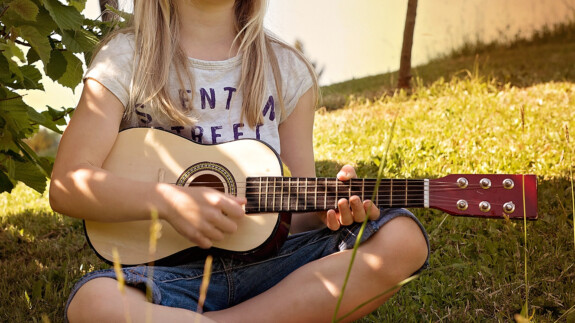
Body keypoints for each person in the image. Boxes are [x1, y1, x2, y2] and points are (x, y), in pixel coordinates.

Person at [49, 0, 429, 322]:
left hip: (274, 270)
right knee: (95, 301)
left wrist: (331, 206)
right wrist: (169, 201)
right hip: (169, 278)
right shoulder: (125, 59)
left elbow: (296, 212)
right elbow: (68, 184)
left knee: (402, 239)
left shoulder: (286, 70)